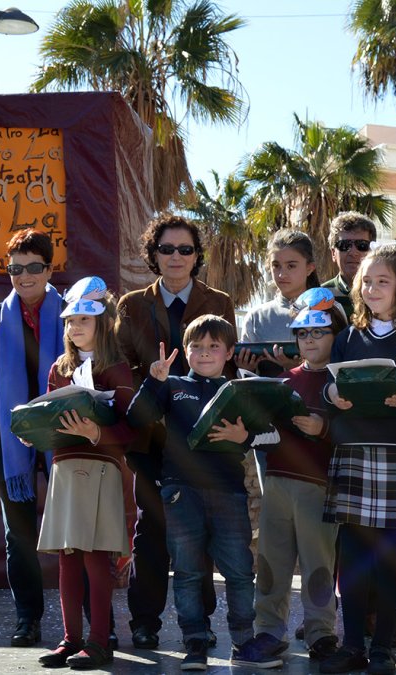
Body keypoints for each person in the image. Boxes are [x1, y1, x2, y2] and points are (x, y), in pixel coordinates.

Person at [319, 246, 396, 675]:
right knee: (352, 554)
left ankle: (384, 648)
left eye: (382, 281)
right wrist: (332, 395)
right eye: (366, 281)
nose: (371, 288)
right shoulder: (349, 336)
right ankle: (352, 644)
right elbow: (328, 389)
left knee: (392, 556)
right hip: (353, 452)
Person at [117, 214, 233, 650]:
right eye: (167, 249)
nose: (176, 257)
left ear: (197, 255)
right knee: (150, 533)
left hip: (199, 439)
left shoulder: (218, 301)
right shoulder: (130, 304)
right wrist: (149, 382)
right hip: (149, 438)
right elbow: (120, 367)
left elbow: (229, 366)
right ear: (153, 255)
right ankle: (144, 622)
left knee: (196, 535)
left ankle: (197, 625)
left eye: (185, 249)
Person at [125, 315, 267, 671]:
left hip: (229, 494)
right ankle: (195, 644)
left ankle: (243, 642)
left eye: (214, 347)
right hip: (181, 493)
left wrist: (245, 439)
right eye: (196, 347)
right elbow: (136, 418)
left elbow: (271, 435)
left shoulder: (239, 389)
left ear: (229, 352)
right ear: (185, 351)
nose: (204, 353)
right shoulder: (172, 386)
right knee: (188, 572)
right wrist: (153, 382)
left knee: (239, 571)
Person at [0, 228, 63, 647]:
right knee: (18, 537)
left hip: (65, 436)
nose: (24, 277)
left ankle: (95, 622)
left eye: (33, 267)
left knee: (79, 533)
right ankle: (28, 619)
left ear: (49, 268)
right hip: (9, 442)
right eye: (15, 269)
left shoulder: (76, 314)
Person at [234, 288, 347, 669]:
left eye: (319, 331)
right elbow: (266, 434)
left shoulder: (343, 380)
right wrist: (246, 432)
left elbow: (352, 431)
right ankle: (268, 629)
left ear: (336, 333)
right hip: (278, 482)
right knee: (270, 561)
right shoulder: (283, 381)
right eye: (302, 332)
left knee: (319, 564)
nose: (310, 339)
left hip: (320, 487)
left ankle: (320, 632)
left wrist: (324, 428)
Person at [34, 277, 135, 670]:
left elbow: (131, 429)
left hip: (102, 470)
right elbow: (49, 416)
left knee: (96, 556)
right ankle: (70, 638)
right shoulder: (60, 368)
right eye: (70, 321)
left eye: (83, 320)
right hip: (64, 470)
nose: (74, 328)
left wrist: (97, 432)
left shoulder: (118, 368)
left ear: (103, 322)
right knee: (68, 557)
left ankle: (98, 641)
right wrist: (34, 431)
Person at [238, 229, 320, 378]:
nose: (282, 274)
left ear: (309, 268)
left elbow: (338, 366)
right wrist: (246, 369)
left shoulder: (329, 310)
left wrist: (300, 368)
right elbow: (248, 381)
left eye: (291, 266)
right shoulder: (256, 317)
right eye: (276, 265)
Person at [322, 212, 378, 318]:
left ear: (372, 250)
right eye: (344, 245)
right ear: (333, 253)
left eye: (362, 245)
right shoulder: (320, 296)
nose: (353, 252)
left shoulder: (385, 293)